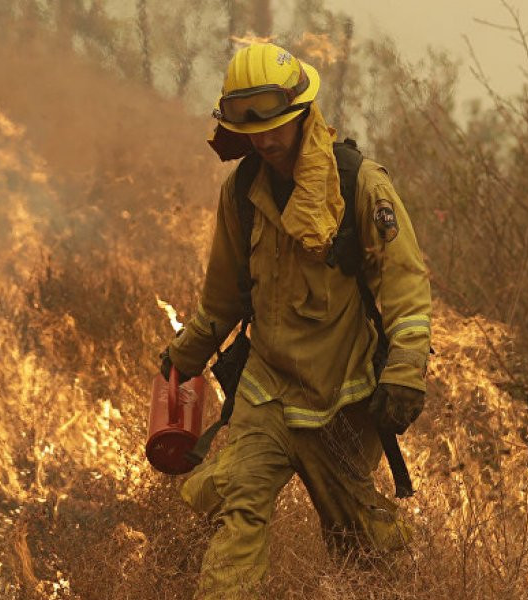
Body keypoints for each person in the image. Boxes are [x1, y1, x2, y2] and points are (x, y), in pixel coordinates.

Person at [160, 42, 433, 598]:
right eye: (251, 128)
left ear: (303, 111)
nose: (264, 139)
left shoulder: (359, 184)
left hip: (341, 398)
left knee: (360, 543)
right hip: (267, 392)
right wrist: (184, 355)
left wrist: (404, 371)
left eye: (276, 123)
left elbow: (405, 284)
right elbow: (222, 297)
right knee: (240, 502)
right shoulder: (241, 192)